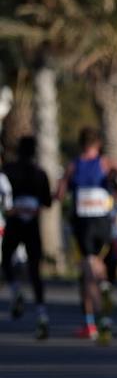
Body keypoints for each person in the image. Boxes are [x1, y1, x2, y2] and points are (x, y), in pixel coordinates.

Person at [55, 127, 117, 343]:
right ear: (98, 144)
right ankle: (104, 295)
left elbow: (59, 194)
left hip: (83, 223)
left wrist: (67, 198)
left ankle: (93, 322)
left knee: (88, 270)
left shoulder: (73, 165)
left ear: (81, 144)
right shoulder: (106, 163)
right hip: (104, 222)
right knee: (96, 266)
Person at [3, 136, 52, 339]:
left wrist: (13, 208)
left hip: (14, 223)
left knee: (6, 258)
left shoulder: (8, 171)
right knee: (35, 270)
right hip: (31, 225)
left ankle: (15, 290)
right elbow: (47, 202)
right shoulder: (40, 173)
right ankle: (41, 313)